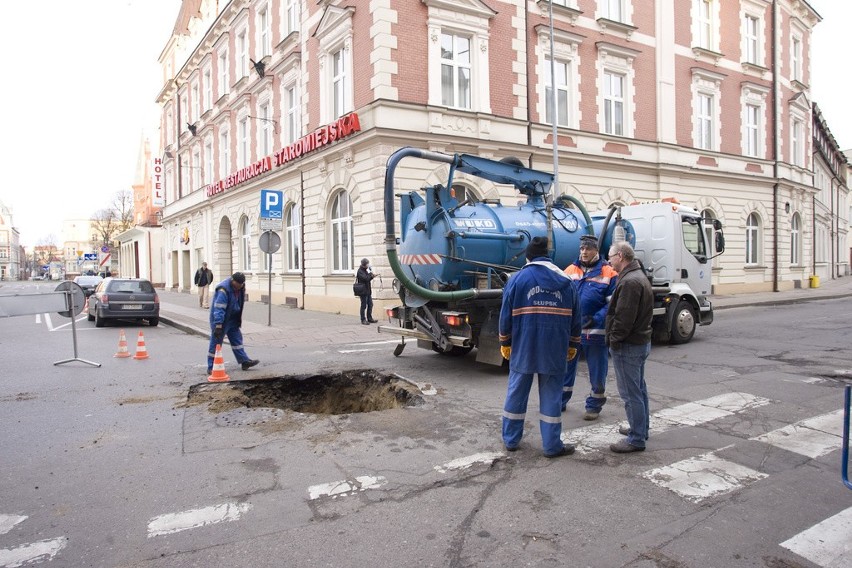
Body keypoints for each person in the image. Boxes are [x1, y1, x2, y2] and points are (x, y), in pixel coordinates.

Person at [499, 236, 581, 458]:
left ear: (528, 256)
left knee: (516, 393)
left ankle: (511, 440)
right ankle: (552, 446)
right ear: (548, 255)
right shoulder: (566, 281)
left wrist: (505, 342)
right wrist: (573, 344)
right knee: (552, 397)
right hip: (555, 347)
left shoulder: (517, 279)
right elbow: (576, 318)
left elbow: (505, 316)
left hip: (524, 346)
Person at [562, 234, 618, 420]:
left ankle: (594, 405)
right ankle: (561, 400)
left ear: (596, 251)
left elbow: (612, 304)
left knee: (597, 369)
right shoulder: (570, 270)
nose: (584, 252)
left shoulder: (609, 273)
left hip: (596, 331)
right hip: (572, 330)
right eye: (582, 249)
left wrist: (595, 319)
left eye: (588, 249)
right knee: (566, 367)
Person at [605, 241, 653, 453]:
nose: (609, 260)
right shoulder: (636, 276)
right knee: (639, 389)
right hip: (639, 342)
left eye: (611, 256)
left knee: (631, 393)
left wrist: (613, 341)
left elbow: (624, 318)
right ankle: (641, 429)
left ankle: (636, 438)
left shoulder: (630, 282)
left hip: (628, 345)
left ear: (621, 256)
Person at [207, 272, 259, 374]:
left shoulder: (241, 287)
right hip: (221, 320)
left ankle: (244, 361)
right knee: (216, 343)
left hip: (233, 319)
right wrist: (218, 325)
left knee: (237, 340)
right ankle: (211, 366)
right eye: (238, 284)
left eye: (241, 284)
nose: (240, 286)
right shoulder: (223, 289)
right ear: (233, 281)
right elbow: (219, 308)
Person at [356, 258, 378, 325]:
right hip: (363, 292)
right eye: (367, 264)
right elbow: (366, 279)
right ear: (364, 264)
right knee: (363, 306)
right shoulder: (360, 271)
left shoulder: (365, 270)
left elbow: (367, 278)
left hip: (368, 291)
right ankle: (363, 319)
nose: (368, 265)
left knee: (370, 304)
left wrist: (371, 275)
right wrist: (371, 276)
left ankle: (369, 318)